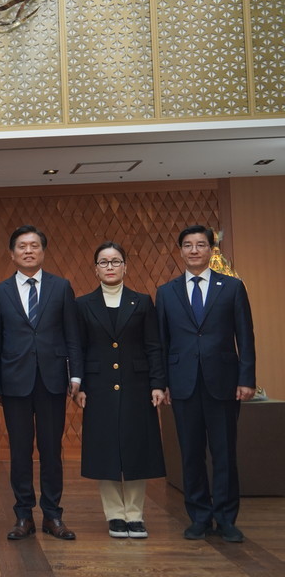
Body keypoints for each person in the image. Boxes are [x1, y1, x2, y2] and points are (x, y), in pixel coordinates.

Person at [157, 225, 256, 543]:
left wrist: (247, 377)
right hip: (183, 384)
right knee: (191, 453)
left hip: (224, 383)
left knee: (224, 452)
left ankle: (226, 518)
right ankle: (199, 516)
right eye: (188, 245)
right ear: (181, 251)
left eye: (201, 244)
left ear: (212, 249)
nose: (195, 250)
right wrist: (163, 382)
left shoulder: (232, 287)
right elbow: (162, 342)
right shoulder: (166, 292)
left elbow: (246, 335)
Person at [0, 225, 82, 541]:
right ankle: (23, 516)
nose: (28, 251)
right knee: (19, 452)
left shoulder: (61, 287)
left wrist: (76, 375)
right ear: (12, 253)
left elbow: (72, 335)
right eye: (22, 246)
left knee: (51, 451)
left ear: (43, 251)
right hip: (14, 383)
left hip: (53, 380)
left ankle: (53, 516)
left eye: (34, 246)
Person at [74, 242, 166, 539]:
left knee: (136, 447)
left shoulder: (141, 301)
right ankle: (115, 515)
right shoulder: (83, 304)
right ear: (96, 269)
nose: (110, 267)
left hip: (138, 386)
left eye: (116, 262)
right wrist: (80, 385)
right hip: (98, 388)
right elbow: (78, 348)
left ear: (126, 267)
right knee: (106, 449)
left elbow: (154, 346)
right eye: (104, 262)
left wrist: (157, 384)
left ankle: (135, 515)